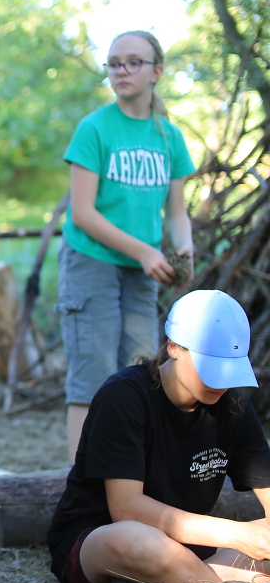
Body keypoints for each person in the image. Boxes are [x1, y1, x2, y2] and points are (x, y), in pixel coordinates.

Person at [48, 290, 270, 583]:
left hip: (188, 547)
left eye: (228, 370)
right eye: (210, 368)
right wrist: (238, 535)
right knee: (138, 541)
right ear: (174, 347)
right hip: (105, 539)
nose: (220, 383)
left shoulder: (233, 405)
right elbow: (126, 509)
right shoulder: (124, 397)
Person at [58, 30, 196, 464]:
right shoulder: (95, 128)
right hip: (91, 264)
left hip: (142, 273)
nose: (122, 70)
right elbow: (82, 213)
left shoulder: (169, 138)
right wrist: (143, 251)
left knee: (140, 374)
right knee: (92, 379)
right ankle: (82, 492)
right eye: (114, 62)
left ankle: (130, 477)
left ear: (156, 71)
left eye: (133, 62)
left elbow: (176, 212)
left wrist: (184, 250)